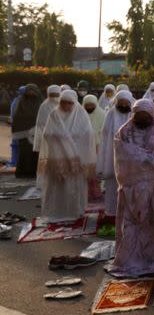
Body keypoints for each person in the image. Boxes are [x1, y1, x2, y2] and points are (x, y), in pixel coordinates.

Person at [108, 99, 154, 277]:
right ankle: (129, 260)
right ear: (134, 114)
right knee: (132, 227)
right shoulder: (124, 132)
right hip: (133, 187)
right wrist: (145, 160)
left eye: (146, 116)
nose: (143, 118)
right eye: (140, 115)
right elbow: (123, 155)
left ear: (152, 114)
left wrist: (150, 163)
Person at [38, 90, 97, 219]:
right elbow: (47, 134)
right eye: (63, 103)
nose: (66, 106)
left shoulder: (81, 114)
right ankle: (56, 212)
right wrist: (61, 137)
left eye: (69, 103)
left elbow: (88, 134)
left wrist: (70, 139)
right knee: (57, 186)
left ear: (74, 103)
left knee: (73, 186)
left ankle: (75, 211)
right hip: (58, 157)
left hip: (76, 158)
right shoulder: (54, 114)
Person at [97, 91, 134, 216]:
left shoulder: (134, 114)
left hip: (130, 156)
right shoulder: (110, 114)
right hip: (112, 154)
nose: (123, 105)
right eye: (121, 102)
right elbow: (105, 135)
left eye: (126, 103)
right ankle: (112, 211)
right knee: (112, 185)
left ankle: (129, 213)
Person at [11, 84, 42, 178]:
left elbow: (43, 117)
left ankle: (34, 172)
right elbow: (16, 117)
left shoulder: (41, 102)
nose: (31, 93)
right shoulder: (21, 102)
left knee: (35, 153)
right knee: (24, 153)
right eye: (29, 91)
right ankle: (23, 172)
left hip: (37, 132)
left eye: (33, 91)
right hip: (23, 133)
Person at [82, 95, 106, 201]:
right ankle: (85, 192)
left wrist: (94, 135)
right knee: (85, 171)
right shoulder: (79, 114)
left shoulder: (102, 114)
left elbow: (104, 131)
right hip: (83, 146)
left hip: (98, 146)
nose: (90, 107)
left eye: (92, 105)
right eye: (87, 105)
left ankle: (97, 191)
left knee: (96, 170)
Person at [33, 86, 61, 155]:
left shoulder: (64, 105)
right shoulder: (44, 106)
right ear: (48, 95)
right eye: (52, 95)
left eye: (56, 95)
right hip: (47, 138)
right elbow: (40, 125)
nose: (54, 97)